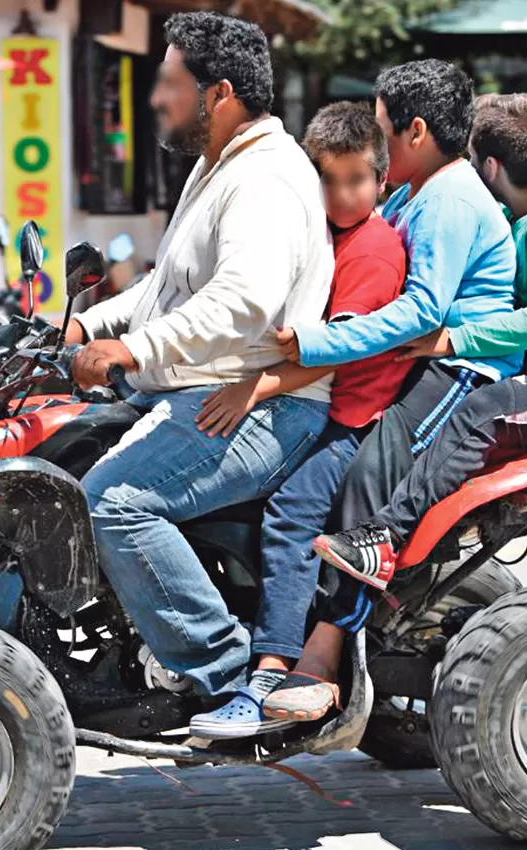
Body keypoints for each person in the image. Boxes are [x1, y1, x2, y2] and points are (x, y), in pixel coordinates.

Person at [265, 93, 527, 721]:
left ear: (486, 166)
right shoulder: (469, 206)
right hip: (518, 366)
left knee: (458, 428)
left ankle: (376, 553)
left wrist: (452, 337)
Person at [63, 12, 332, 701]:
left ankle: (222, 673)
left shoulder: (263, 179)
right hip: (192, 392)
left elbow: (243, 300)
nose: (157, 98)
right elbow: (167, 284)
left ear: (220, 95)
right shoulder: (217, 166)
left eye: (170, 84)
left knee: (112, 503)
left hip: (257, 407)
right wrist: (81, 326)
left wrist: (129, 348)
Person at [182, 101, 411, 738]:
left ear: (381, 181)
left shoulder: (372, 253)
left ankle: (273, 663)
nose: (341, 194)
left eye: (356, 180)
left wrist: (252, 388)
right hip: (309, 400)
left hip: (351, 416)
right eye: (328, 180)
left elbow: (332, 355)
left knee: (291, 514)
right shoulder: (322, 233)